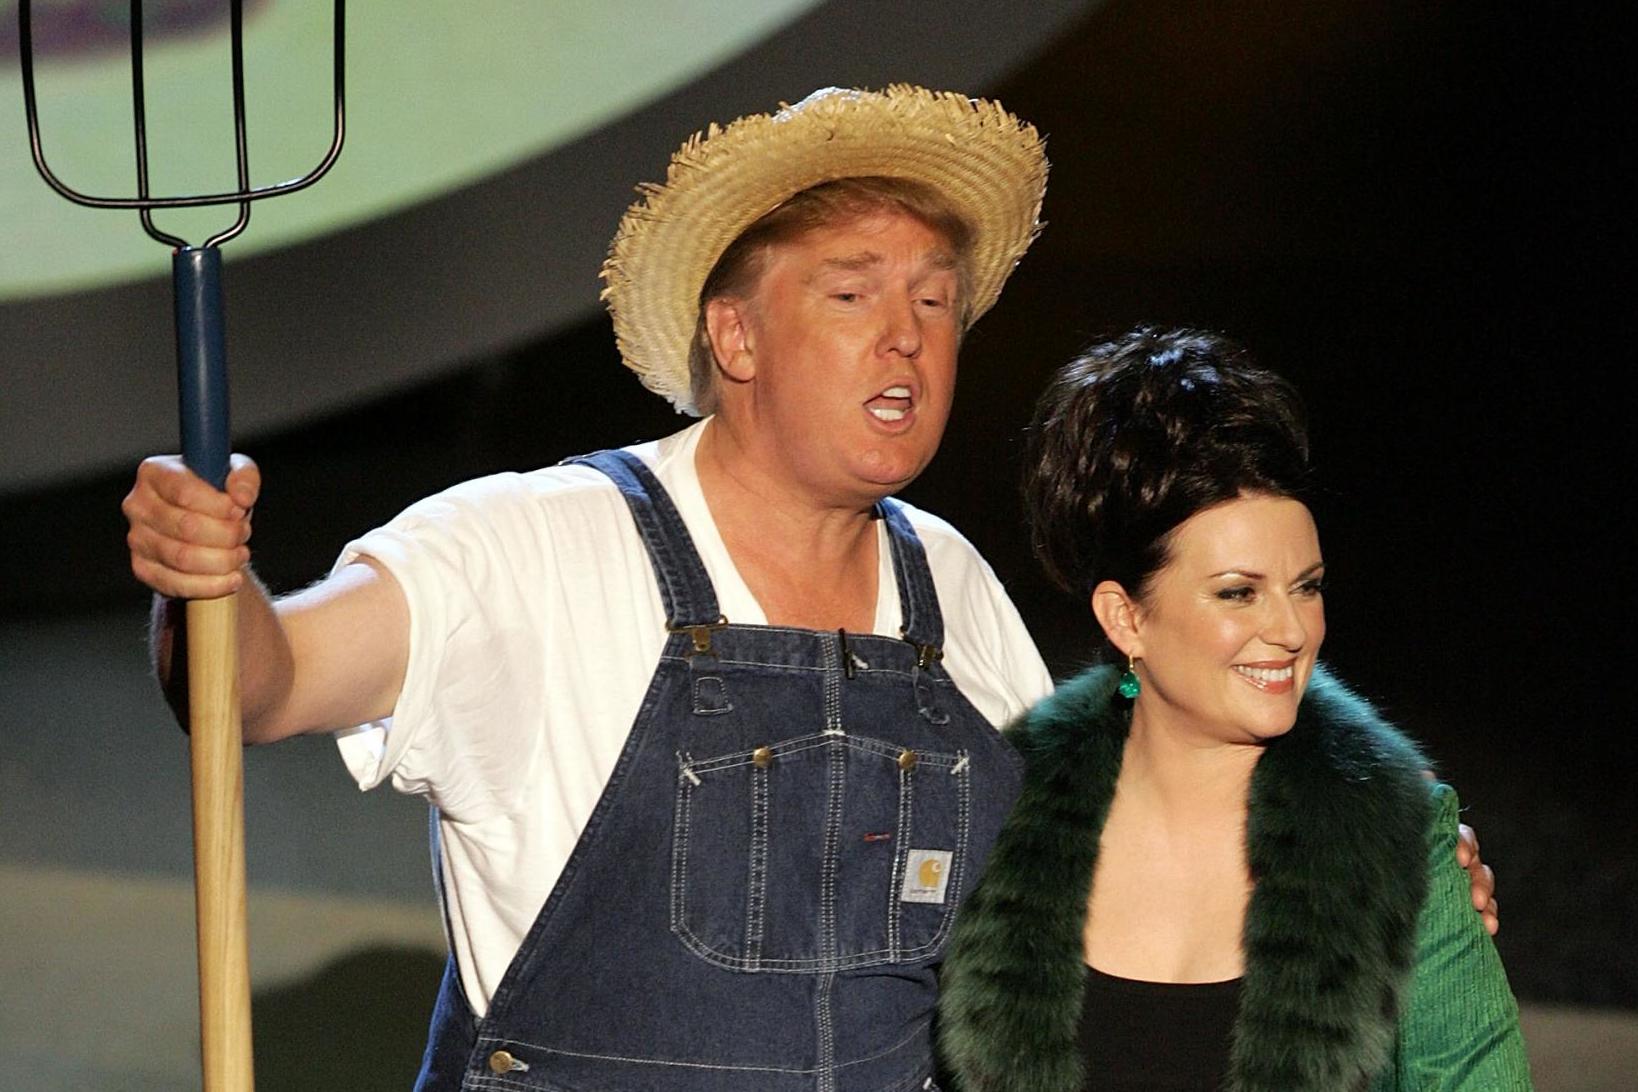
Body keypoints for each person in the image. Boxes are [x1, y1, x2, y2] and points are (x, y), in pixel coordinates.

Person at [121, 89, 1496, 1091]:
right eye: (849, 296)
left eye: (935, 300)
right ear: (735, 334)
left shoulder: (948, 589)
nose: (905, 338)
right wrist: (212, 588)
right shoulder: (530, 548)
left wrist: (1365, 862)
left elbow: (1113, 853)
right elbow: (264, 681)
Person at [935, 328, 1530, 1091]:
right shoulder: (991, 816)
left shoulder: (1398, 842)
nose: (1291, 630)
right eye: (1238, 593)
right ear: (1126, 618)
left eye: (1306, 586)